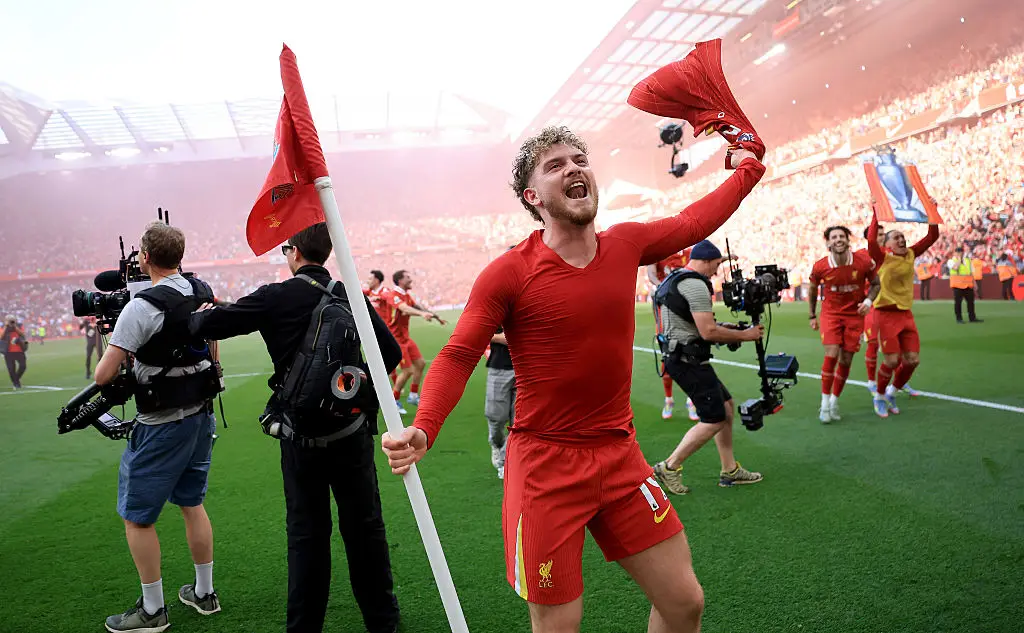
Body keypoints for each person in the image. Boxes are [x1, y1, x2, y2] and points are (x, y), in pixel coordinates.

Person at [382, 125, 765, 632]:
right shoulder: (508, 273)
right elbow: (457, 355)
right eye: (555, 165)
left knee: (684, 602)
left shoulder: (627, 243)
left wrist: (748, 170)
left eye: (578, 159)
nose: (574, 168)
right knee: (560, 625)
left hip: (620, 456)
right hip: (545, 468)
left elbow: (693, 219)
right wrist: (425, 426)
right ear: (532, 196)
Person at [189, 223, 402, 633]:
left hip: (300, 436)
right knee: (365, 529)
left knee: (307, 534)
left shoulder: (275, 296)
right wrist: (356, 397)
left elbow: (207, 327)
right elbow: (389, 354)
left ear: (294, 253)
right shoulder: (348, 293)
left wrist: (195, 305)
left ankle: (304, 627)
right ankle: (383, 621)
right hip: (351, 433)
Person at [93, 222, 223, 632]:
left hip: (161, 423)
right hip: (201, 415)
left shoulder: (140, 307)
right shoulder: (201, 290)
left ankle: (152, 610)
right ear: (180, 256)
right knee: (192, 503)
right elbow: (213, 345)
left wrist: (112, 336)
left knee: (138, 518)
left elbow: (102, 376)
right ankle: (204, 594)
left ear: (144, 258)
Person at [651, 240, 766, 493]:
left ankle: (730, 470)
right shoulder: (694, 284)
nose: (716, 272)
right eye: (715, 265)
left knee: (725, 406)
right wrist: (746, 335)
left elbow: (693, 323)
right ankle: (669, 467)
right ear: (704, 261)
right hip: (686, 359)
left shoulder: (676, 279)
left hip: (682, 356)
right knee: (714, 417)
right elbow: (708, 331)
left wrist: (732, 329)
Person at [866, 210, 939, 418]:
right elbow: (871, 241)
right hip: (885, 314)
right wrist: (875, 212)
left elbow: (932, 237)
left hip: (905, 314)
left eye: (903, 236)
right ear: (887, 244)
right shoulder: (882, 257)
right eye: (896, 237)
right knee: (891, 361)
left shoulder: (910, 254)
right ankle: (878, 396)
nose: (902, 239)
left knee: (912, 360)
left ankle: (892, 391)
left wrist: (932, 213)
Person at [808, 225, 879, 423]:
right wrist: (812, 315)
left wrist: (867, 302)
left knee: (846, 360)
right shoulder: (821, 266)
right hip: (830, 315)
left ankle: (834, 400)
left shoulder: (864, 261)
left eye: (842, 236)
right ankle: (823, 405)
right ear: (828, 242)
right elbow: (813, 290)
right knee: (831, 355)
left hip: (854, 315)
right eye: (834, 237)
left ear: (848, 240)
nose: (838, 239)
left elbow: (876, 284)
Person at [645, 250, 699, 421]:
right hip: (665, 313)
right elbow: (651, 273)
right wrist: (662, 286)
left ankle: (692, 401)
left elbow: (703, 258)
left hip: (686, 311)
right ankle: (669, 399)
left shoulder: (688, 252)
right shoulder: (658, 251)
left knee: (692, 356)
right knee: (668, 360)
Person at [385, 269, 446, 411]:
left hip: (405, 338)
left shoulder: (406, 295)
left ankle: (413, 395)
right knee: (407, 371)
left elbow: (418, 306)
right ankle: (393, 402)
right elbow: (404, 309)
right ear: (400, 280)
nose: (410, 280)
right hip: (395, 340)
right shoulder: (393, 295)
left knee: (420, 363)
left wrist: (435, 316)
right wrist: (421, 314)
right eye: (408, 277)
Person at [485, 326, 514, 479]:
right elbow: (481, 330)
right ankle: (497, 444)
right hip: (499, 367)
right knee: (496, 417)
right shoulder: (497, 305)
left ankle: (505, 461)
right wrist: (501, 338)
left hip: (528, 367)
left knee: (520, 421)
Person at [859, 222, 884, 394]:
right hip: (872, 305)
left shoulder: (889, 254)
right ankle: (871, 381)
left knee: (896, 346)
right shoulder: (861, 256)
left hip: (890, 306)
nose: (882, 237)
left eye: (883, 234)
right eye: (878, 234)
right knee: (873, 344)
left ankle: (898, 381)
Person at [947, 245, 983, 324]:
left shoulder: (968, 261)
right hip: (957, 285)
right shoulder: (951, 261)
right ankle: (959, 318)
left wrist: (974, 283)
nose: (959, 254)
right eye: (958, 252)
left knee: (971, 302)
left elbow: (970, 273)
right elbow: (955, 268)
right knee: (958, 303)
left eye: (960, 252)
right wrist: (959, 259)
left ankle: (972, 318)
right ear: (955, 253)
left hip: (968, 285)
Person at [1, 315, 27, 390]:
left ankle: (16, 380)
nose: (11, 322)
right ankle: (16, 383)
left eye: (12, 320)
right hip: (8, 351)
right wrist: (6, 326)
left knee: (23, 366)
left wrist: (15, 327)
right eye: (9, 320)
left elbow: (22, 334)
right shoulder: (3, 327)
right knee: (11, 369)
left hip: (19, 350)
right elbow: (1, 336)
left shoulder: (19, 326)